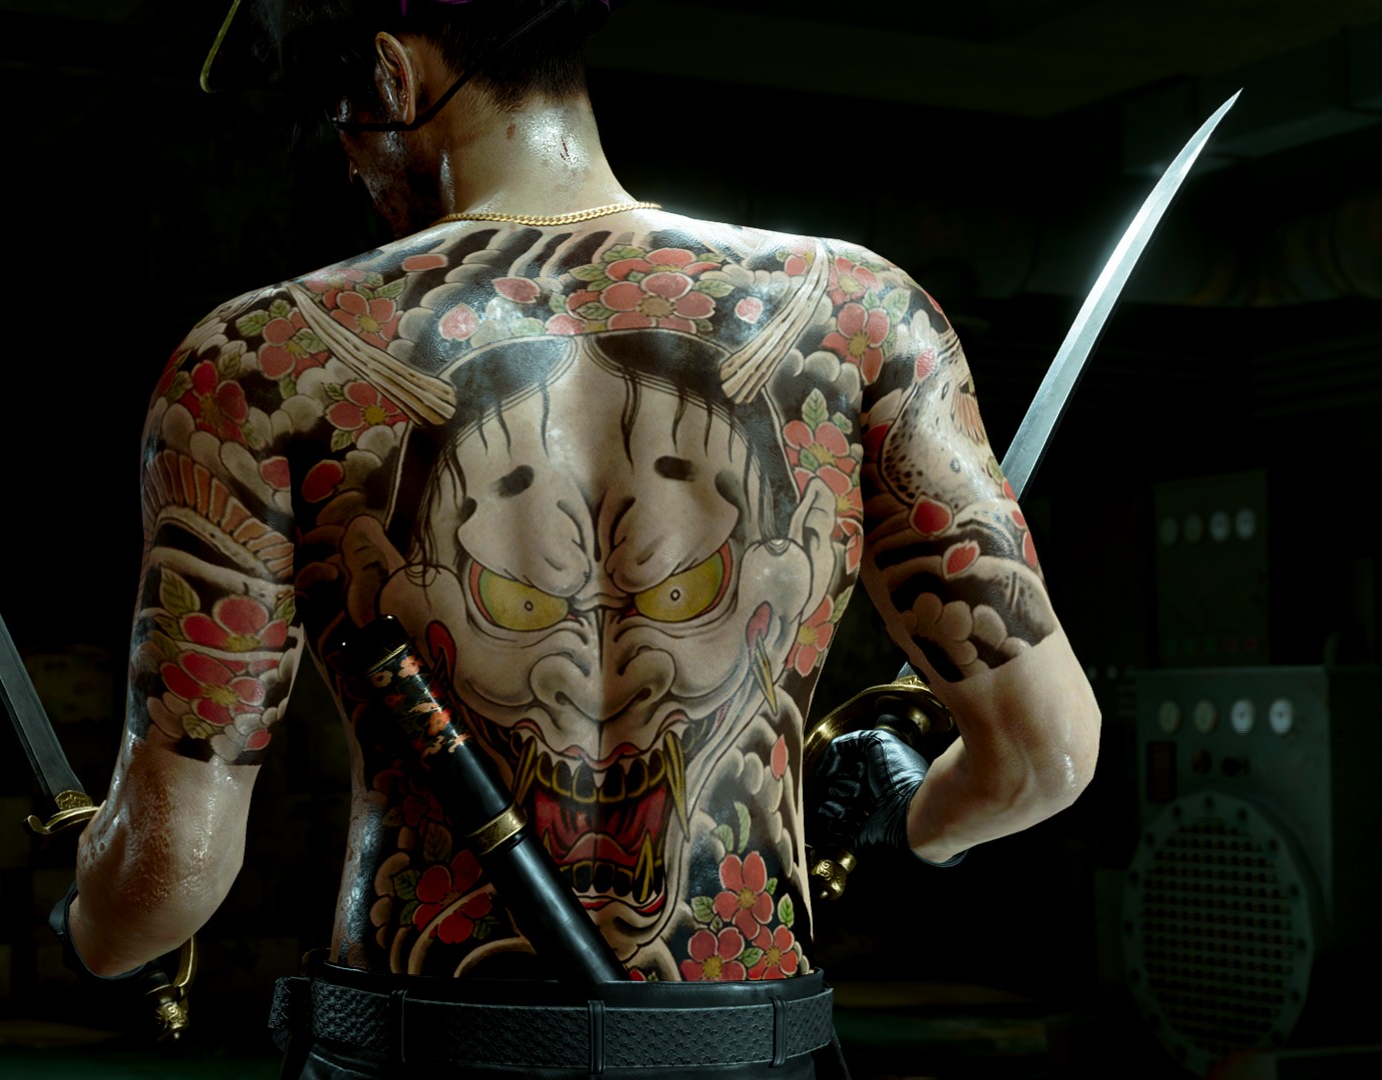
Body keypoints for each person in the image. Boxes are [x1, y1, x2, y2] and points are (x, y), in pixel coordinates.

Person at [65, 2, 1102, 1076]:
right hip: (747, 1052)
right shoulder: (861, 313)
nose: (349, 161)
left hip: (428, 1051)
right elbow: (1047, 757)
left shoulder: (261, 361)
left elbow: (167, 877)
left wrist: (90, 926)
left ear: (390, 76)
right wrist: (908, 818)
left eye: (339, 118)